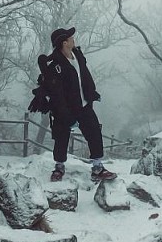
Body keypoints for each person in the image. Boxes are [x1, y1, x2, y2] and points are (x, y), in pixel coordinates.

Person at [43, 27, 117, 183]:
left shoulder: (77, 55)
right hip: (65, 108)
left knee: (94, 132)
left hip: (83, 105)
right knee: (61, 137)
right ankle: (59, 167)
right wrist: (65, 114)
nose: (73, 39)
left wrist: (92, 92)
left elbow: (85, 75)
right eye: (70, 38)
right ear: (64, 43)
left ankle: (97, 167)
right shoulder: (55, 65)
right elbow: (57, 94)